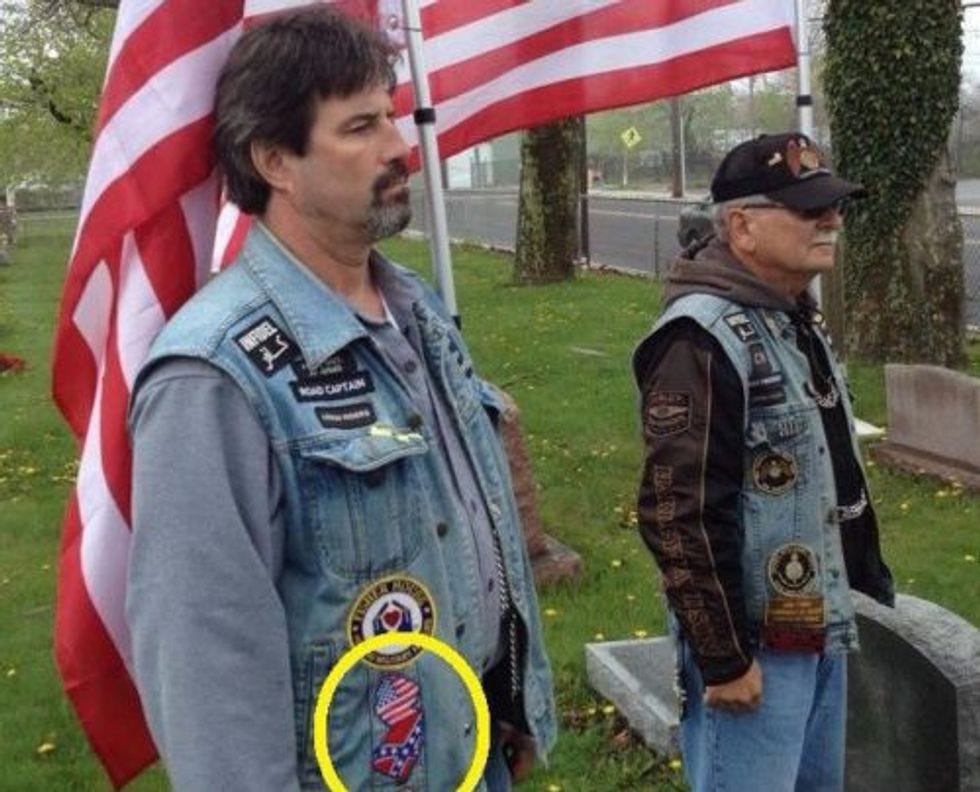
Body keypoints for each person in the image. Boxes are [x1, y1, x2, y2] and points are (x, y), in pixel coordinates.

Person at [126, 8, 555, 790]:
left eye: (391, 116)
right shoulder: (213, 376)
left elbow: (465, 516)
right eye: (361, 127)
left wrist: (509, 693)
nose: (400, 146)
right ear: (275, 162)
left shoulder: (416, 308)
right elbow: (206, 664)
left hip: (470, 746)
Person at [633, 133, 894, 792]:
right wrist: (723, 658)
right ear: (742, 226)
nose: (831, 220)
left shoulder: (792, 318)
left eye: (834, 206)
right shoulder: (699, 338)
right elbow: (677, 511)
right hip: (754, 650)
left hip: (816, 629)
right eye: (808, 209)